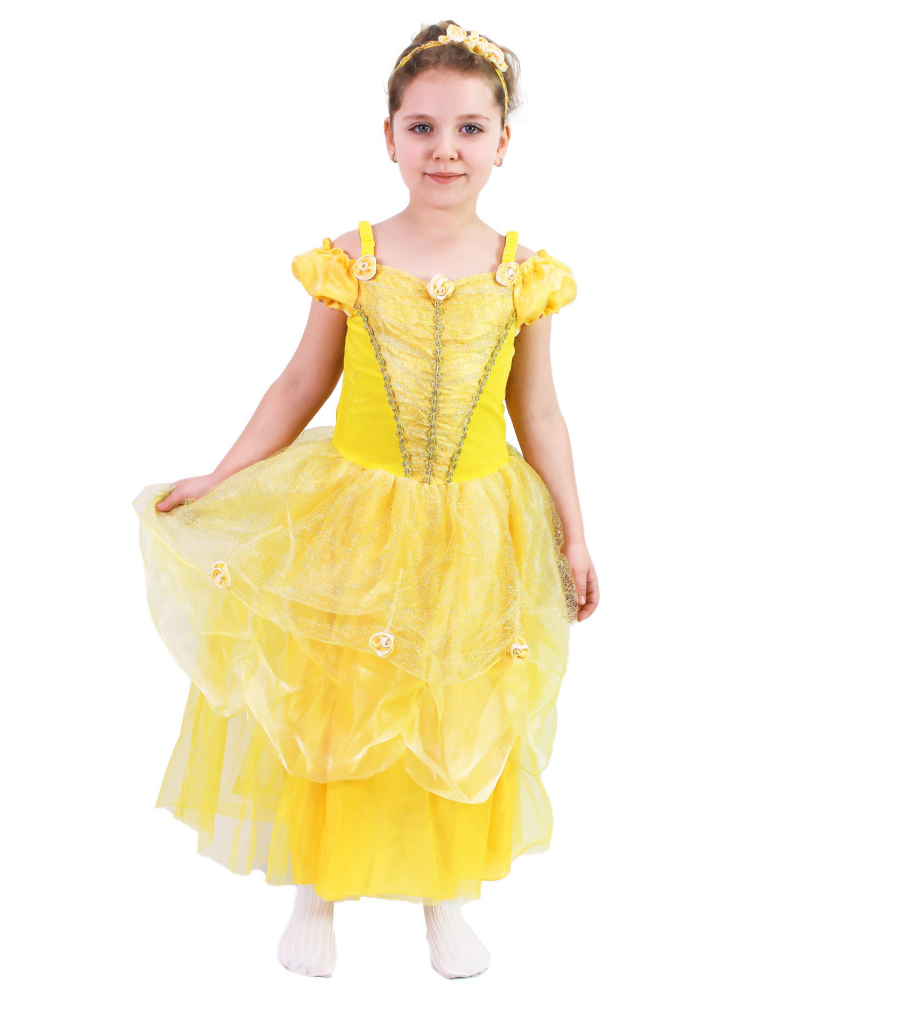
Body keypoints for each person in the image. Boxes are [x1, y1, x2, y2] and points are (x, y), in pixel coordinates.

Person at [132, 19, 599, 980]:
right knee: (339, 702)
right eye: (422, 127)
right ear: (389, 136)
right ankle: (319, 894)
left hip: (476, 528)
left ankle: (444, 898)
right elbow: (300, 384)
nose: (445, 149)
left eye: (469, 128)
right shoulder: (353, 259)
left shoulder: (524, 276)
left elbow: (541, 412)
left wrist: (576, 534)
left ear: (503, 142)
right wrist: (223, 475)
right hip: (355, 517)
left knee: (456, 703)